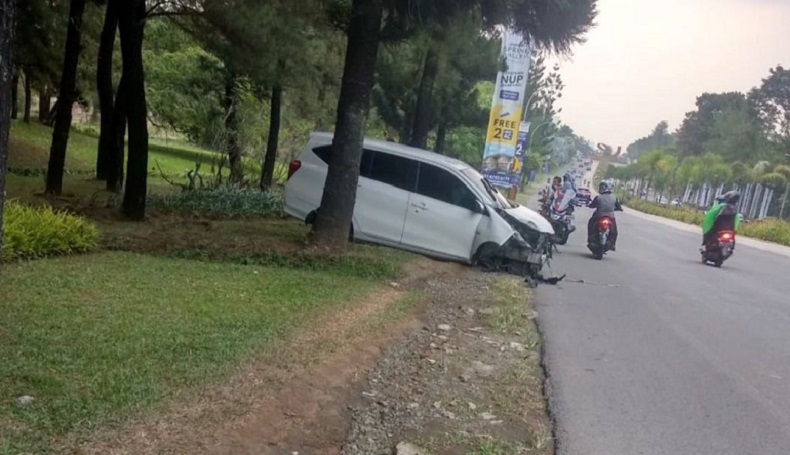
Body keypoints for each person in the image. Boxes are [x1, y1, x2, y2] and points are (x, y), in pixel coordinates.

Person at [587, 179, 623, 251]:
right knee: (614, 231)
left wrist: (590, 205)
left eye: (603, 187)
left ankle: (590, 239)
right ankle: (613, 244)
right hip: (610, 217)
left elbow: (592, 205)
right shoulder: (614, 197)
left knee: (590, 223)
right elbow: (618, 207)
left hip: (599, 216)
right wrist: (619, 209)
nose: (601, 188)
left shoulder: (598, 197)